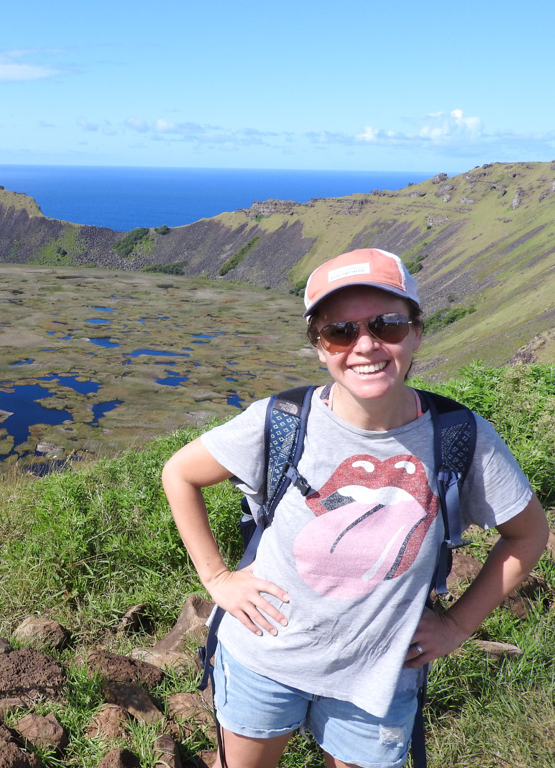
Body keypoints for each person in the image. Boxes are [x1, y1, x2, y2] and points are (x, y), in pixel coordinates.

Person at [161, 248, 548, 768]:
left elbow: (528, 533)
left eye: (387, 325)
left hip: (379, 678)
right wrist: (217, 578)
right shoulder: (281, 420)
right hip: (264, 656)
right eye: (340, 331)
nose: (365, 345)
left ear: (416, 332)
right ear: (320, 346)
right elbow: (180, 473)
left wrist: (457, 627)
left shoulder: (460, 436)